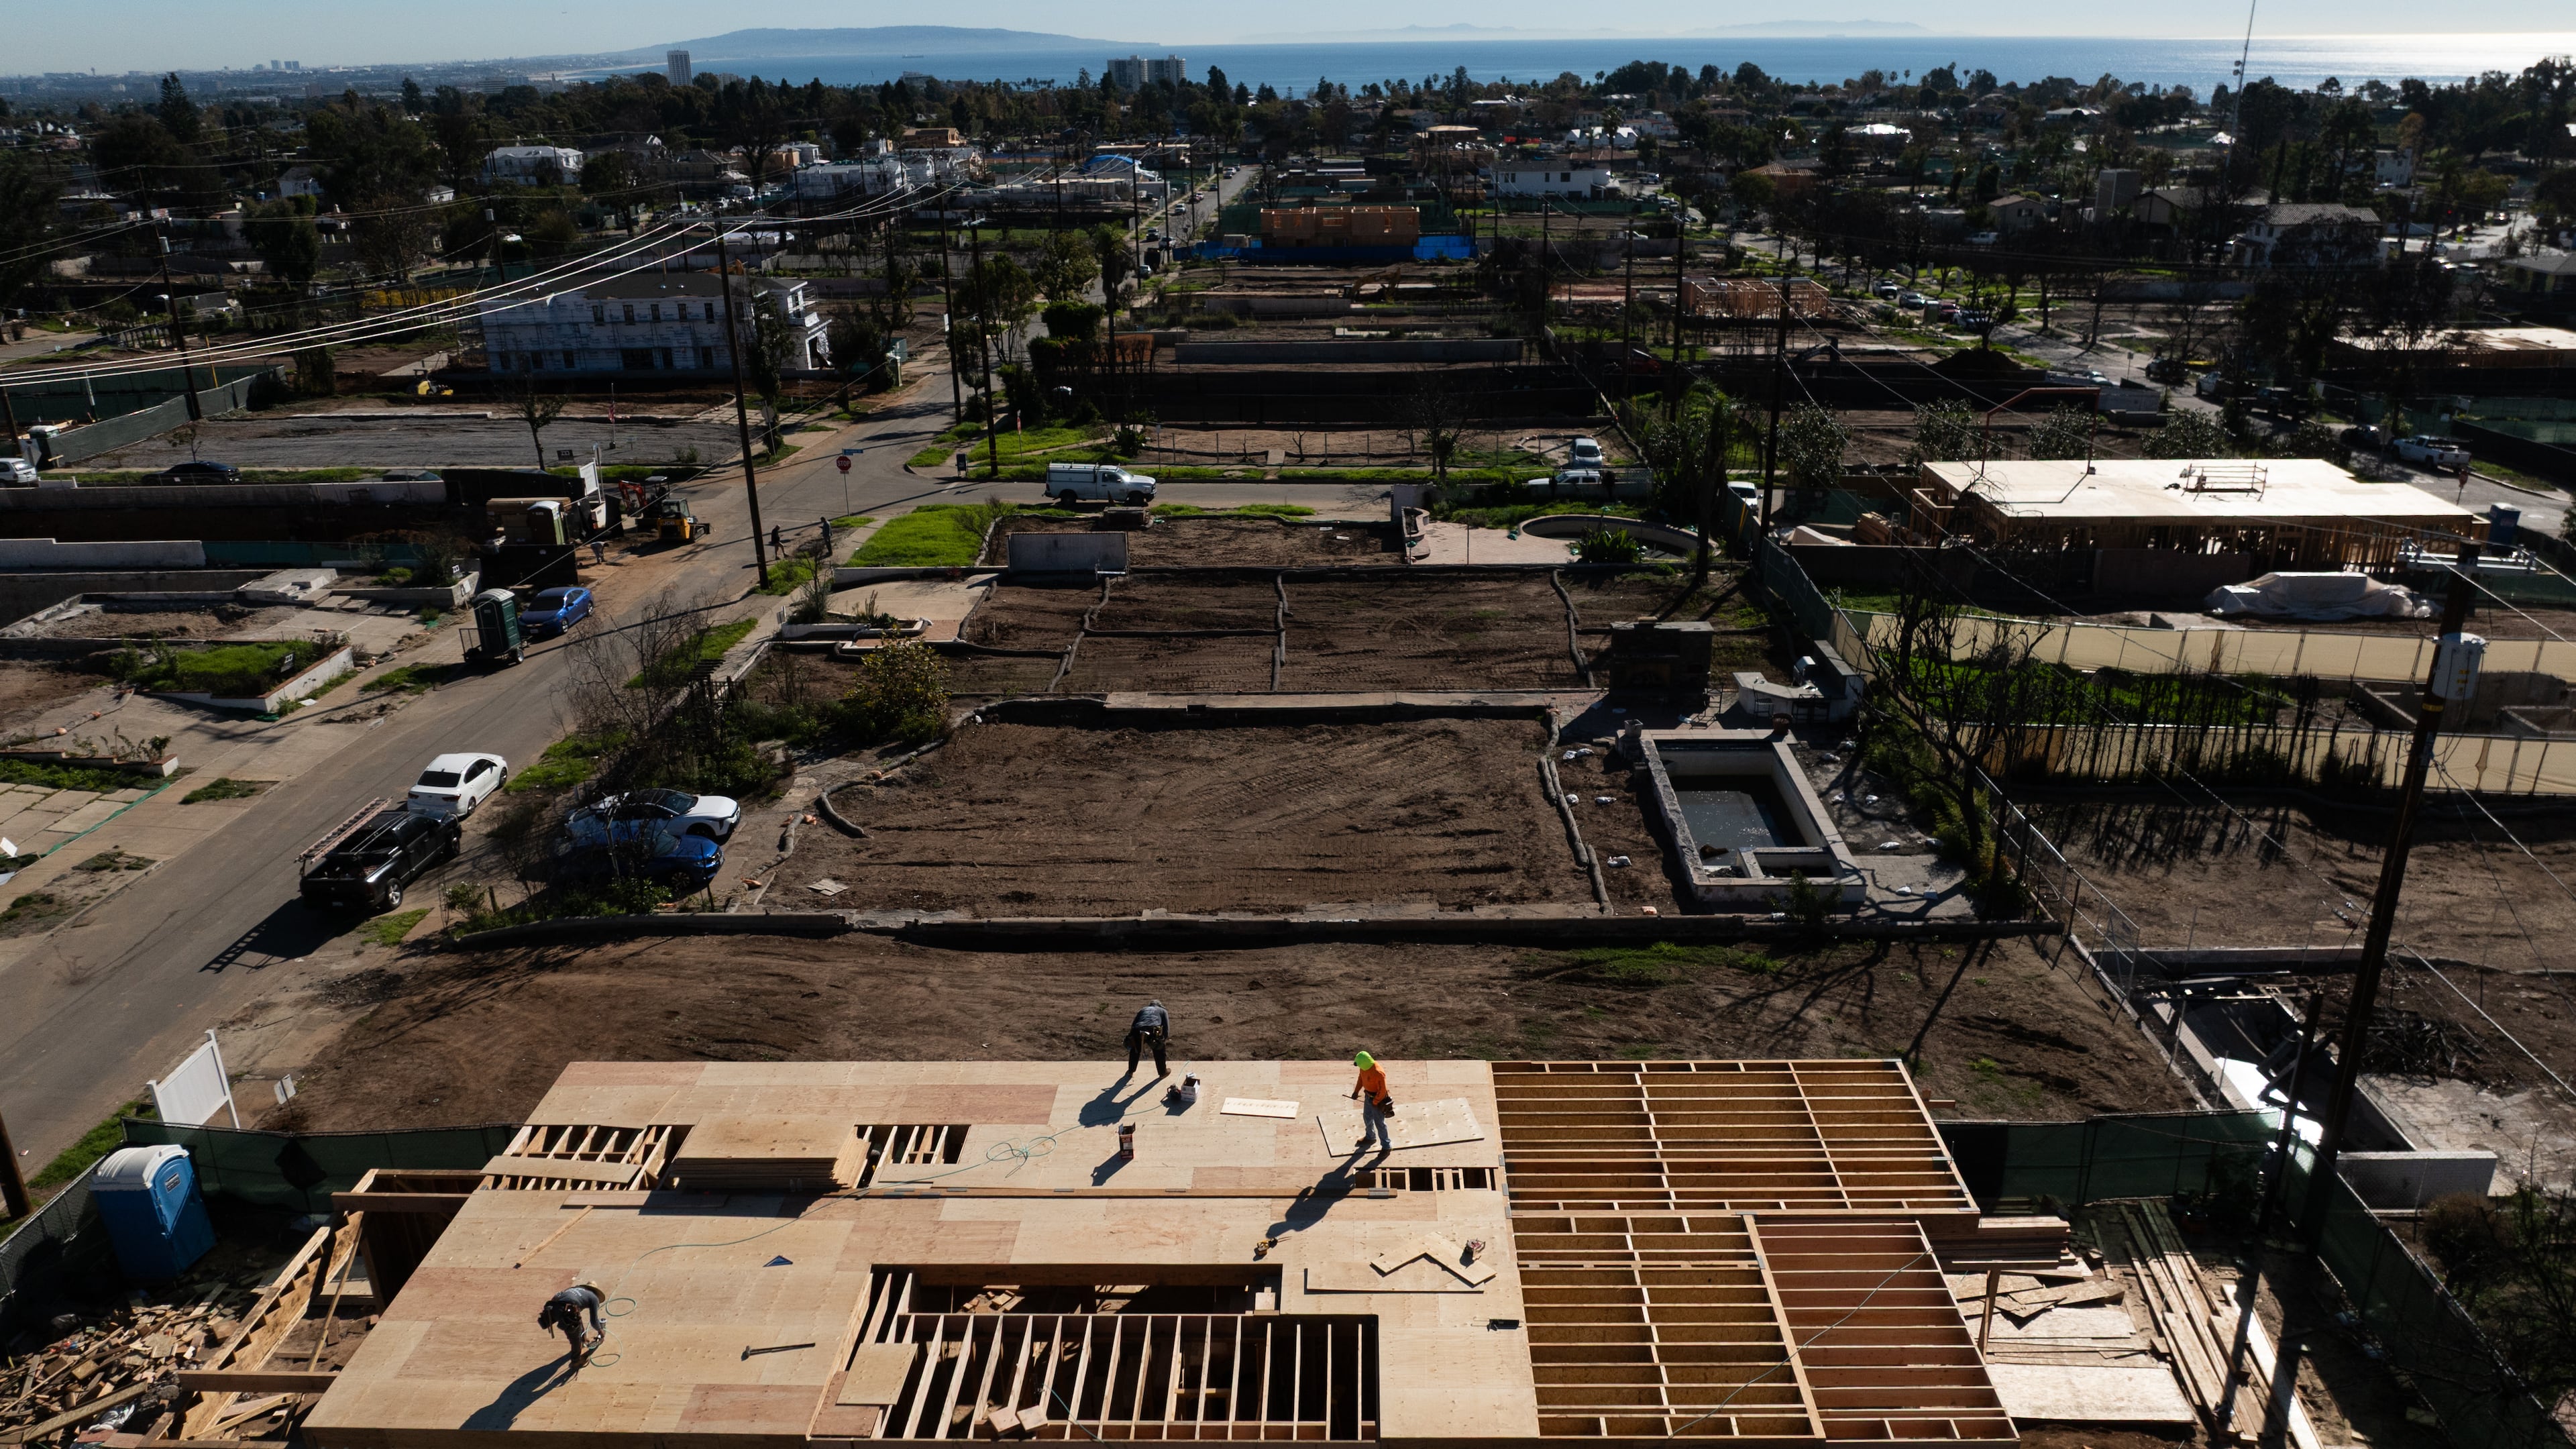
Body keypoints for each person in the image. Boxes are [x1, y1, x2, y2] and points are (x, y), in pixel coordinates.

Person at [537, 1281, 607, 1359]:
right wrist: (601, 1331)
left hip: (555, 1308)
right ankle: (576, 1360)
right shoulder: (594, 1298)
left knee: (577, 1321)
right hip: (568, 1313)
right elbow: (594, 1321)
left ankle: (583, 1341)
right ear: (595, 1292)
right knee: (575, 1337)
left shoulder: (575, 1289)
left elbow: (556, 1297)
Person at [1349, 1051, 1395, 1152]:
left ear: (1365, 1063)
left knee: (1380, 1123)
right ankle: (1370, 1137)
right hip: (1368, 1097)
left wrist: (1375, 1102)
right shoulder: (1364, 1068)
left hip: (1379, 1100)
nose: (1358, 1067)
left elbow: (1382, 1091)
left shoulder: (1378, 1073)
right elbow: (1361, 1079)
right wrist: (1356, 1091)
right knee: (1367, 1117)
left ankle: (1387, 1146)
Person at [1124, 999, 1170, 1077]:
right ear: (1160, 1005)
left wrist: (1132, 1037)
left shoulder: (1143, 1010)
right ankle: (1162, 1072)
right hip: (1153, 1029)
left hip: (1138, 1028)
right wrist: (1163, 1040)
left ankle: (1131, 1071)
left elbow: (1134, 1023)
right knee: (1159, 1049)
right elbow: (1166, 1026)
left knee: (1135, 1049)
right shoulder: (1162, 1010)